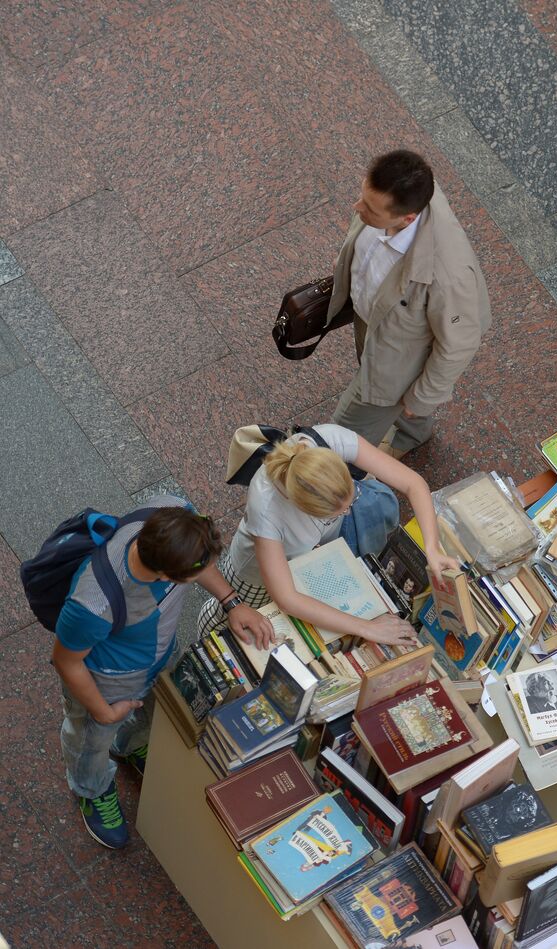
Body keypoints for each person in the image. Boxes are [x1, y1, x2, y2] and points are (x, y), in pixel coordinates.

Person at [51, 498, 275, 848]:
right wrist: (103, 710)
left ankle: (129, 746)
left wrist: (231, 601)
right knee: (91, 740)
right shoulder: (93, 603)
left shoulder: (170, 512)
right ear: (167, 576)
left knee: (152, 713)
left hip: (156, 659)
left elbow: (198, 562)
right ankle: (91, 787)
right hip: (107, 682)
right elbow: (66, 662)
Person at [202, 423, 458, 647]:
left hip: (307, 552)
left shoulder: (329, 439)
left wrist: (432, 549)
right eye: (337, 511)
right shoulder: (267, 509)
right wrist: (366, 628)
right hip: (256, 571)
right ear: (302, 507)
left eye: (350, 500)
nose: (347, 513)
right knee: (237, 622)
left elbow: (413, 484)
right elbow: (287, 598)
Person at [327, 150, 491, 458]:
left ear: (408, 218)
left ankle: (344, 476)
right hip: (377, 321)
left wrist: (422, 398)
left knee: (339, 438)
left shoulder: (447, 277)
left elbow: (459, 343)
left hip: (399, 357)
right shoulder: (402, 193)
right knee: (382, 380)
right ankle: (414, 432)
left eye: (370, 209)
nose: (357, 207)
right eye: (362, 196)